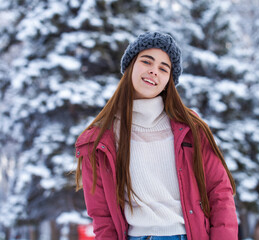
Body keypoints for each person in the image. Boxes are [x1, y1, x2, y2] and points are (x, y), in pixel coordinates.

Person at [75, 31, 238, 240]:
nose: (154, 72)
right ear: (131, 65)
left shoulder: (191, 128)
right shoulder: (98, 141)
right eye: (147, 62)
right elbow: (102, 217)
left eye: (164, 68)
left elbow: (219, 192)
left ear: (169, 80)